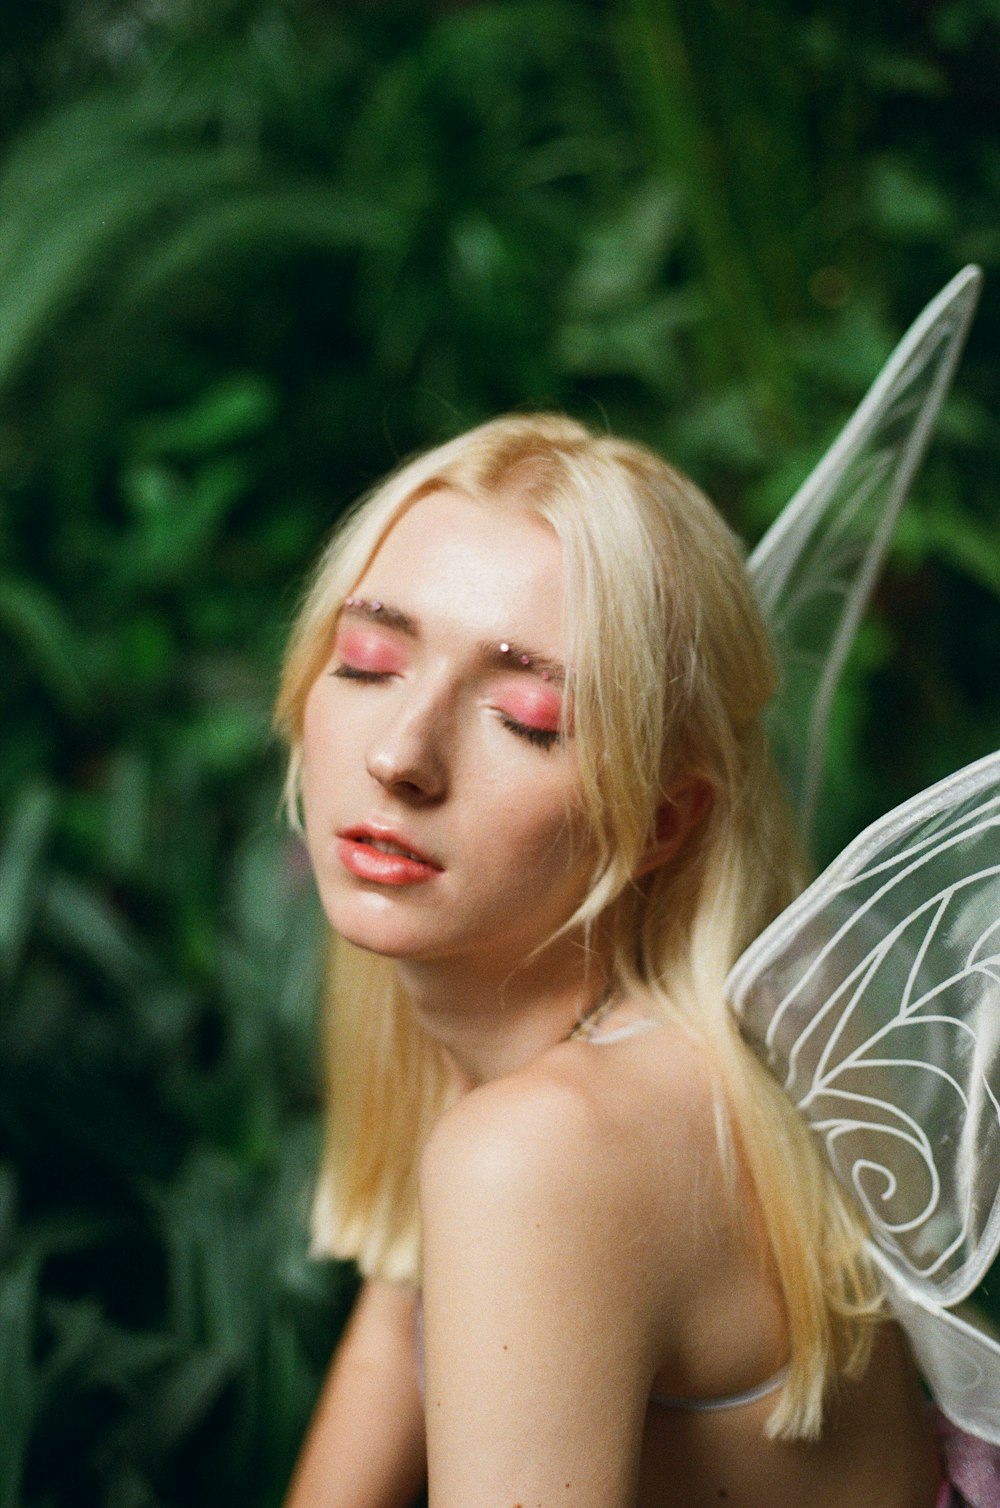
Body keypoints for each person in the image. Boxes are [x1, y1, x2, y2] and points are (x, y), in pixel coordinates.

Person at [274, 413, 959, 1507]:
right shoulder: (497, 992)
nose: (400, 753)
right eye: (369, 661)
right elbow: (394, 1317)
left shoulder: (546, 1147)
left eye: (527, 717)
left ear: (660, 822)